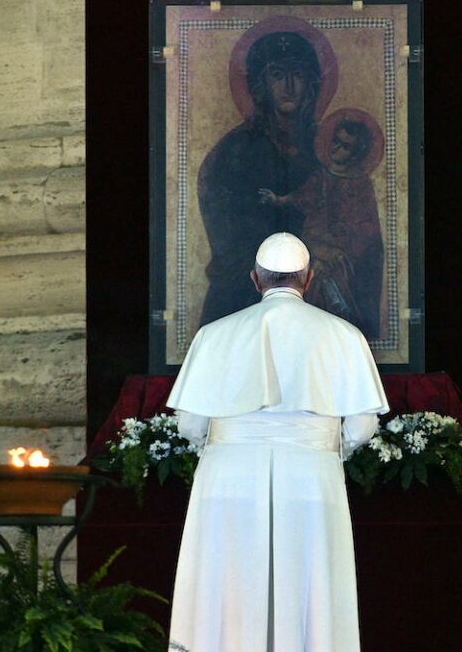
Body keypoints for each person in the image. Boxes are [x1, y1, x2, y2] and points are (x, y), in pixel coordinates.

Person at [166, 232, 389, 652]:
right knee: (311, 585)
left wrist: (228, 447)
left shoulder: (214, 335)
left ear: (255, 279)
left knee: (227, 583)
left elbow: (190, 425)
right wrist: (322, 446)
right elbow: (360, 429)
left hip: (227, 479)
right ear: (308, 278)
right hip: (312, 477)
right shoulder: (344, 335)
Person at [196, 31, 323, 326]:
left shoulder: (327, 145)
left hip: (311, 286)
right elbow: (225, 228)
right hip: (246, 289)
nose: (289, 86)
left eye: (298, 75)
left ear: (311, 84)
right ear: (261, 85)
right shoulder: (235, 149)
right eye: (278, 76)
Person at [258, 117, 383, 338]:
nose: (337, 148)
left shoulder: (361, 183)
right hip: (314, 239)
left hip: (343, 246)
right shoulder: (321, 176)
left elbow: (367, 226)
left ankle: (334, 320)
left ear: (355, 154)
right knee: (315, 267)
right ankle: (312, 324)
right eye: (336, 141)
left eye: (345, 146)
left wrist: (344, 243)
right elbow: (302, 197)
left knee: (328, 269)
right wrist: (278, 199)